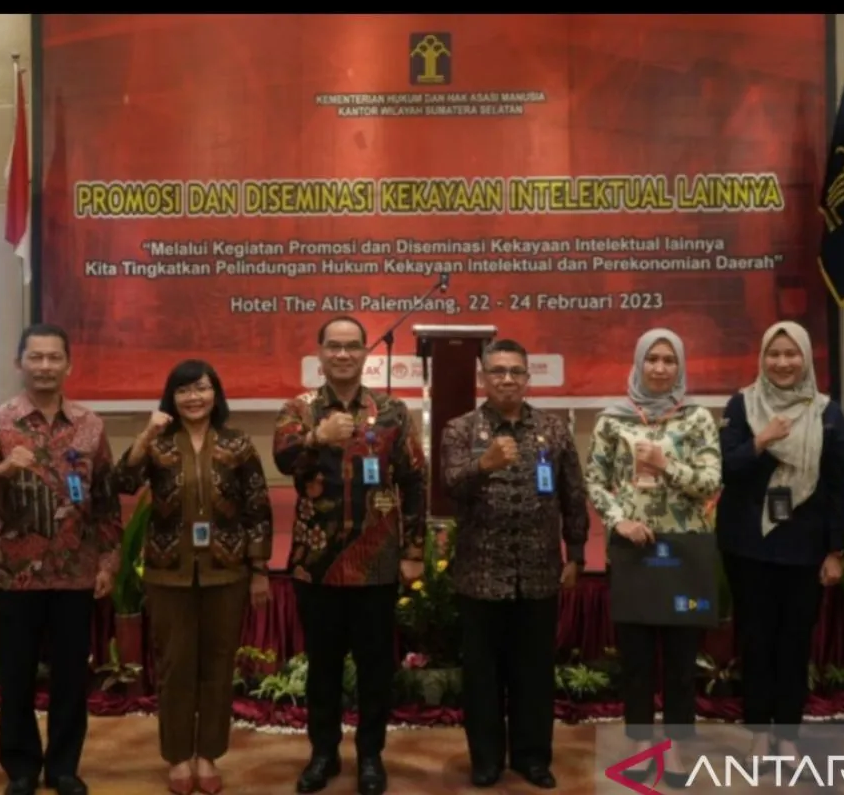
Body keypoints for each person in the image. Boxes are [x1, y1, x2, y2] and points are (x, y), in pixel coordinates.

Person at [0, 324, 123, 795]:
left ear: (68, 364)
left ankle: (63, 767)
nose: (45, 366)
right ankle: (20, 768)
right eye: (35, 357)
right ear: (19, 362)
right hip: (16, 574)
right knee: (16, 675)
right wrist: (2, 468)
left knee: (71, 678)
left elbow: (106, 500)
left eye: (54, 358)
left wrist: (109, 562)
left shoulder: (90, 425)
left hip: (75, 573)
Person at [272, 315, 426, 795]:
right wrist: (317, 437)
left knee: (376, 667)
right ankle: (323, 753)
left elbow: (414, 482)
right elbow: (282, 459)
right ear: (320, 353)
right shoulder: (299, 409)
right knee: (323, 666)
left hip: (376, 563)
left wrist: (414, 551)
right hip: (316, 563)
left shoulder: (392, 412)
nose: (343, 354)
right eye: (334, 346)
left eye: (352, 346)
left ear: (365, 353)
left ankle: (370, 756)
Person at [115, 359, 274, 795]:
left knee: (218, 666)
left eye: (202, 388)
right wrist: (145, 436)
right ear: (172, 397)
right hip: (169, 574)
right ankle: (178, 756)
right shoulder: (160, 444)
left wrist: (259, 570)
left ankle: (208, 754)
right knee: (175, 666)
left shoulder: (238, 443)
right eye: (184, 390)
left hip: (228, 572)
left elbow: (257, 508)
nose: (193, 397)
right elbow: (122, 481)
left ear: (215, 394)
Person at [439, 338, 589, 790]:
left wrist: (576, 552)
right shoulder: (460, 430)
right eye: (498, 371)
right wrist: (482, 465)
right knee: (482, 678)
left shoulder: (553, 429)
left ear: (527, 378)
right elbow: (449, 486)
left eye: (515, 371)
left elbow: (573, 494)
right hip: (480, 574)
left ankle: (532, 757)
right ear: (483, 378)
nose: (507, 379)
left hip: (539, 572)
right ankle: (486, 760)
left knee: (534, 674)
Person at [585, 328, 722, 786]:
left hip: (685, 551)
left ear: (680, 366)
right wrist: (617, 519)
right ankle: (641, 743)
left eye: (669, 360)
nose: (660, 368)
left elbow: (710, 482)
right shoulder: (612, 420)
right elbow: (595, 480)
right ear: (639, 362)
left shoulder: (698, 419)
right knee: (637, 660)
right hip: (634, 551)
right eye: (653, 359)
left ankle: (676, 747)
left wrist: (666, 465)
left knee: (682, 662)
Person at [715, 321, 844, 763]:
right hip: (748, 546)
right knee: (755, 640)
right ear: (763, 358)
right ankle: (759, 731)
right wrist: (761, 440)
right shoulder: (742, 404)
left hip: (804, 549)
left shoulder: (827, 413)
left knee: (795, 642)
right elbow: (725, 469)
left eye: (791, 353)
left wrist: (835, 550)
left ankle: (787, 733)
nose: (782, 362)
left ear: (806, 358)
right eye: (774, 353)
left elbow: (839, 486)